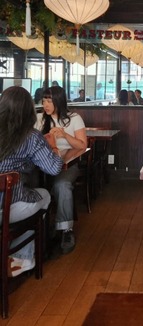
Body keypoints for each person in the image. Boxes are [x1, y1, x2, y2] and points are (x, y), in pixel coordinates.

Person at [0, 86, 60, 274]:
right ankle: (23, 257)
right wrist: (53, 148)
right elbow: (54, 168)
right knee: (44, 195)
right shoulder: (31, 137)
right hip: (10, 207)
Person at [36, 86, 87, 254]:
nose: (46, 105)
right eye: (44, 101)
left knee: (62, 185)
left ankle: (66, 229)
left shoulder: (74, 118)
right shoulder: (39, 119)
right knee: (31, 183)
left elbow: (82, 145)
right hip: (42, 164)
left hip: (68, 164)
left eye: (49, 101)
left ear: (59, 101)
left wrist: (65, 135)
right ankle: (39, 229)